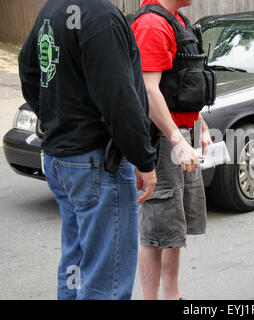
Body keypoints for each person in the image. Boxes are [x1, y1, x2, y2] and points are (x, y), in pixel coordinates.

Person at [18, 0, 158, 300]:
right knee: (105, 277)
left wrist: (55, 117)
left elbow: (28, 69)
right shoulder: (100, 16)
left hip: (62, 158)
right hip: (94, 162)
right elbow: (119, 99)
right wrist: (144, 160)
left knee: (77, 264)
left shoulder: (52, 9)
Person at [132, 0, 215, 300]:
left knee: (173, 228)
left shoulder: (176, 20)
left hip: (179, 134)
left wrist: (199, 124)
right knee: (155, 230)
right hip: (160, 139)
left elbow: (176, 87)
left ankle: (172, 296)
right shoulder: (152, 25)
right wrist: (177, 141)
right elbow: (149, 90)